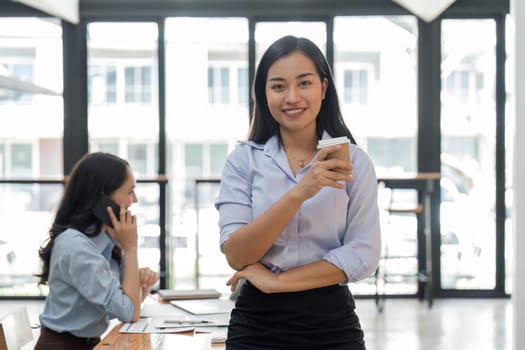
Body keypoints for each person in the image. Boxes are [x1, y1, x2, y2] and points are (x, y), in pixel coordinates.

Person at [215, 35, 381, 350]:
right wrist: (298, 193)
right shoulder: (243, 161)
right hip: (256, 325)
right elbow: (237, 254)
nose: (292, 97)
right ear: (263, 95)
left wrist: (278, 282)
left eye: (304, 83)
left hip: (331, 323)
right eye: (278, 86)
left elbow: (362, 254)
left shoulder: (355, 161)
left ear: (324, 87)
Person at [34, 152, 159, 350]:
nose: (134, 200)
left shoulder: (104, 240)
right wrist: (131, 248)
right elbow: (129, 312)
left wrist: (142, 286)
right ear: (102, 199)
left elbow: (123, 306)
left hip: (89, 343)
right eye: (129, 191)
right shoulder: (75, 246)